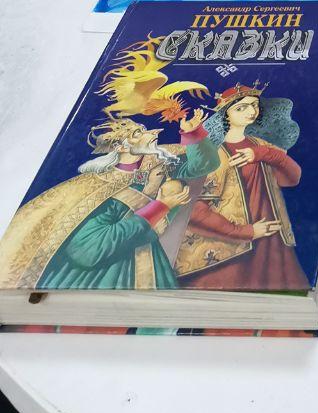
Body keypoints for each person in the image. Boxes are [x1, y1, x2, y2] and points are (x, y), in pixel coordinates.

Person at [0, 112, 217, 292]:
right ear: (121, 147)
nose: (154, 132)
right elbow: (88, 249)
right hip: (101, 272)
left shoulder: (159, 165)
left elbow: (203, 165)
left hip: (146, 257)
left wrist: (193, 134)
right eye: (137, 133)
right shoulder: (94, 185)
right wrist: (160, 206)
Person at [176, 85, 308, 291]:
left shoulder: (261, 145)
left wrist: (262, 154)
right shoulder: (215, 154)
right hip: (233, 249)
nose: (251, 111)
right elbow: (195, 211)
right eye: (241, 108)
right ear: (225, 114)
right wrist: (246, 232)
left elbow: (293, 178)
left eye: (254, 105)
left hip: (272, 239)